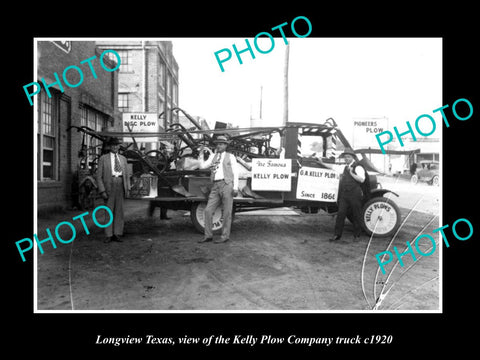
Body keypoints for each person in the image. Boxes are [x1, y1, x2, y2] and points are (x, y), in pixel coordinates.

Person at [199, 135, 239, 244]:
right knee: (208, 210)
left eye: (221, 144)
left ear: (226, 145)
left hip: (227, 185)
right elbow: (202, 166)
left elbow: (236, 172)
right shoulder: (213, 156)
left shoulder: (231, 157)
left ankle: (225, 236)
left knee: (227, 212)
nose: (218, 146)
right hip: (215, 186)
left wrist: (235, 187)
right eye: (217, 144)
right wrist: (201, 154)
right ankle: (208, 235)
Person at [95, 137, 131, 243]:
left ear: (119, 147)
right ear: (110, 147)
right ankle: (108, 235)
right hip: (109, 185)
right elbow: (98, 177)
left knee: (119, 211)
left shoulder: (123, 159)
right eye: (113, 145)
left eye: (117, 145)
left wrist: (127, 188)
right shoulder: (103, 158)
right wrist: (102, 191)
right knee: (109, 211)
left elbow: (127, 175)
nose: (115, 147)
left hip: (120, 184)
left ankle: (117, 233)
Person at [330, 148, 366, 242]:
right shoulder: (344, 167)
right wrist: (321, 163)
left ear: (353, 157)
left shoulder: (358, 167)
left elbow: (361, 179)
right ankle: (337, 235)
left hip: (355, 194)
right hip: (345, 194)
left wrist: (351, 173)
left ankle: (357, 236)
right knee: (341, 214)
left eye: (348, 157)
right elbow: (332, 167)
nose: (346, 159)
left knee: (356, 214)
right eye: (345, 157)